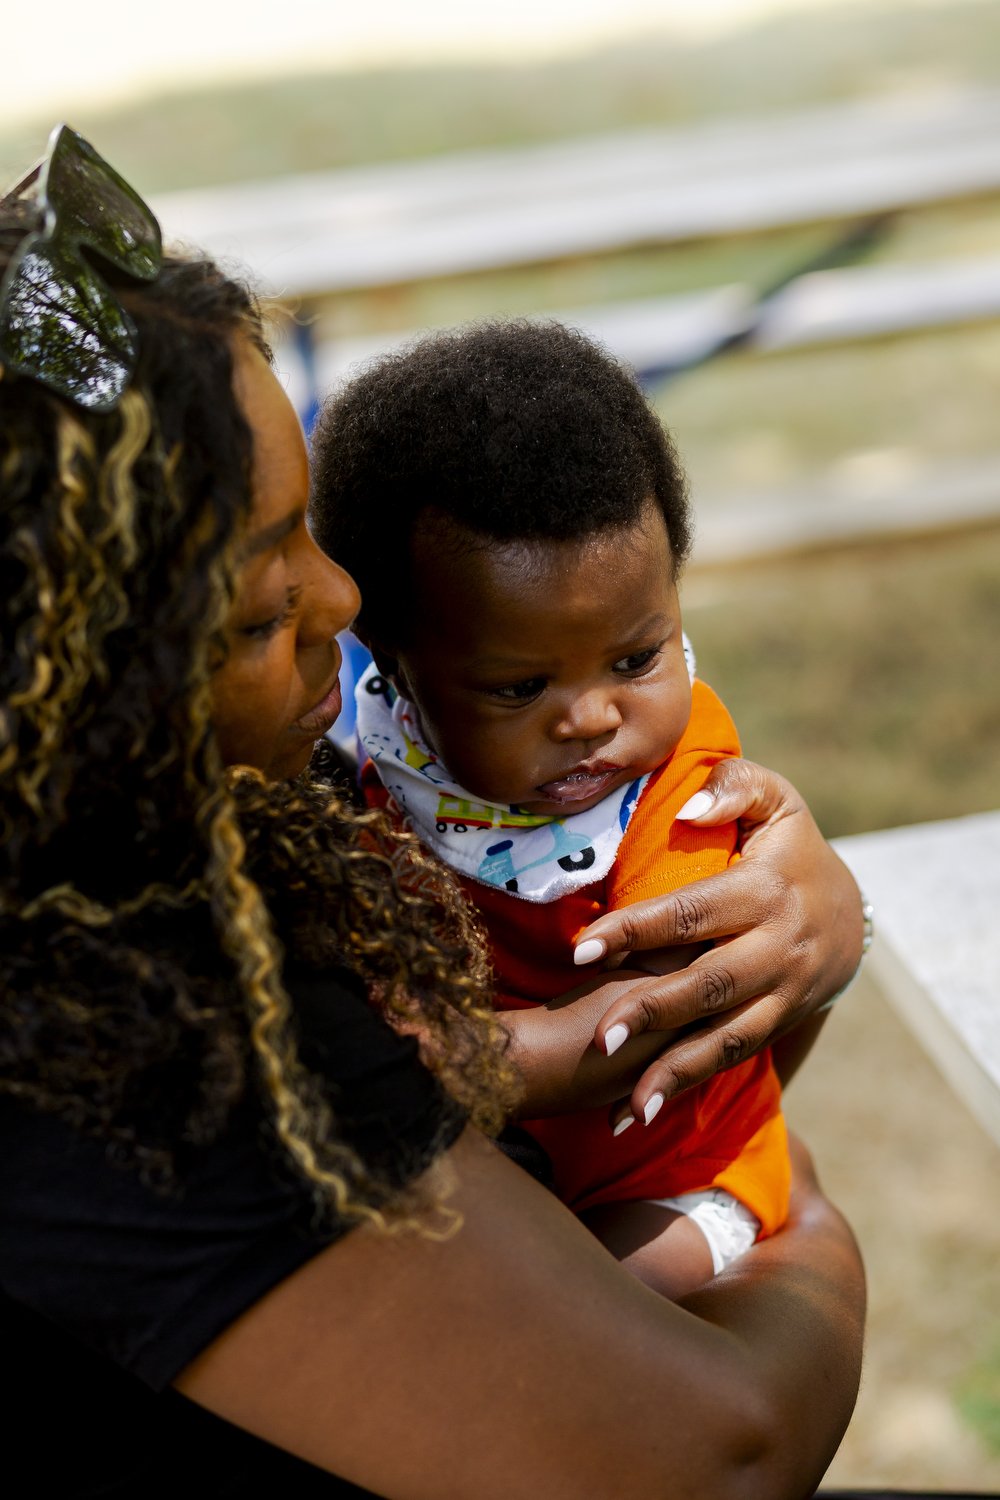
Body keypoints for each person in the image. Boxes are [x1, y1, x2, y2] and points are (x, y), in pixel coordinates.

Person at [1, 126, 866, 1498]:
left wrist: (798, 941)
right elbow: (712, 1459)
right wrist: (811, 1222)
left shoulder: (243, 837)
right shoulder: (141, 1052)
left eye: (314, 540)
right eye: (266, 603)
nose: (344, 607)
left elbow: (547, 1172)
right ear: (74, 684)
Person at [310, 321, 794, 1298]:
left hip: (670, 1178)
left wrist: (425, 1061)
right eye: (518, 686)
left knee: (592, 1316)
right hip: (500, 1180)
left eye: (633, 659)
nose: (590, 718)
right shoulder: (380, 776)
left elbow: (658, 1009)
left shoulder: (680, 780)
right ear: (393, 666)